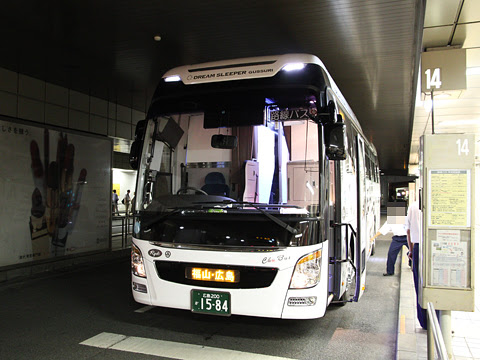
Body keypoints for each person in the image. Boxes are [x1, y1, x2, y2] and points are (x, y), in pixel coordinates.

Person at [378, 204, 408, 276]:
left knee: (414, 252)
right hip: (397, 239)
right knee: (391, 254)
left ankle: (412, 264)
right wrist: (373, 237)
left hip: (407, 238)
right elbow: (382, 230)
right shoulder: (391, 220)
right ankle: (390, 271)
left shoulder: (406, 218)